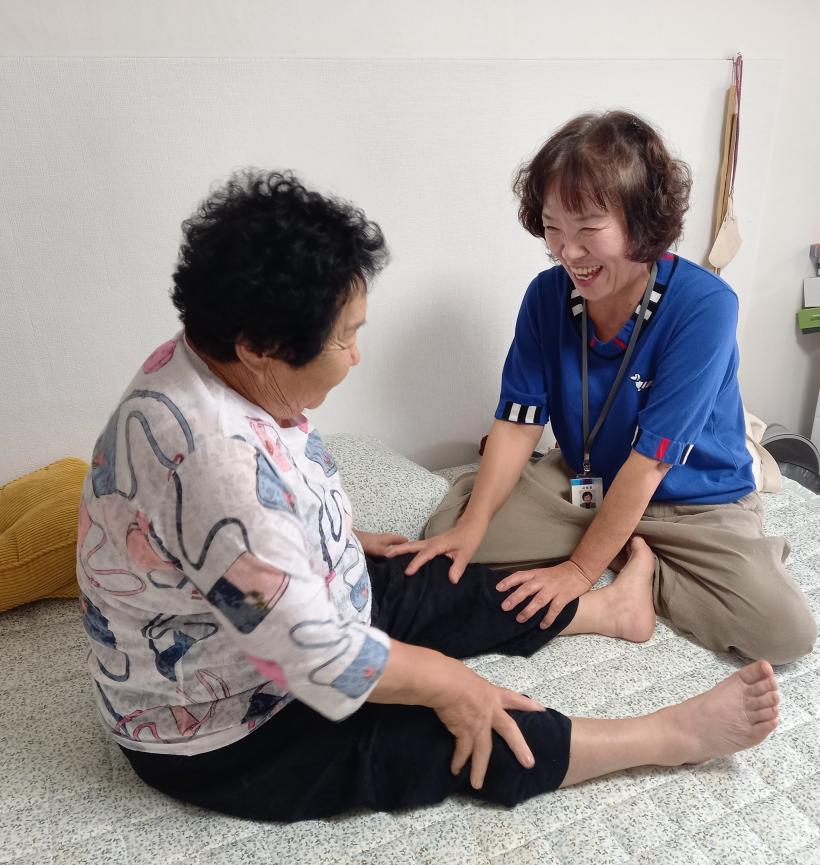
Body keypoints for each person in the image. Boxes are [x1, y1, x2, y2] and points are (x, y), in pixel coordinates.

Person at [77, 170, 780, 822]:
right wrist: (453, 684)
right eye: (345, 339)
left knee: (432, 575)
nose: (357, 356)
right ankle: (671, 735)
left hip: (282, 605)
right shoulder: (216, 467)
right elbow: (317, 654)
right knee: (468, 730)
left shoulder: (198, 359)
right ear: (259, 346)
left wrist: (337, 542)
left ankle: (606, 608)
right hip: (237, 728)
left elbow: (225, 537)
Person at [388, 111, 815, 665]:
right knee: (448, 542)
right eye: (553, 228)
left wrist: (579, 569)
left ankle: (632, 571)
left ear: (642, 222)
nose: (568, 252)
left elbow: (652, 462)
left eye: (589, 229)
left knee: (783, 632)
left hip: (693, 503)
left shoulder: (705, 306)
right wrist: (473, 526)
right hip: (585, 482)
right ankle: (627, 553)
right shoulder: (546, 297)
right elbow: (518, 422)